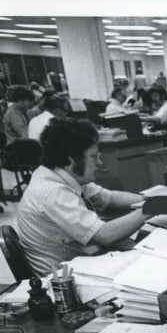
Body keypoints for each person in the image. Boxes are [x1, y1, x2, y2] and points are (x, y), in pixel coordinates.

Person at [16, 118, 151, 277]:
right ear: (73, 158)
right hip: (63, 279)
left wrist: (149, 200)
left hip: (79, 260)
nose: (100, 163)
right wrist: (152, 208)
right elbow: (105, 236)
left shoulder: (61, 173)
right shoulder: (53, 192)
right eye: (94, 157)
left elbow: (108, 197)